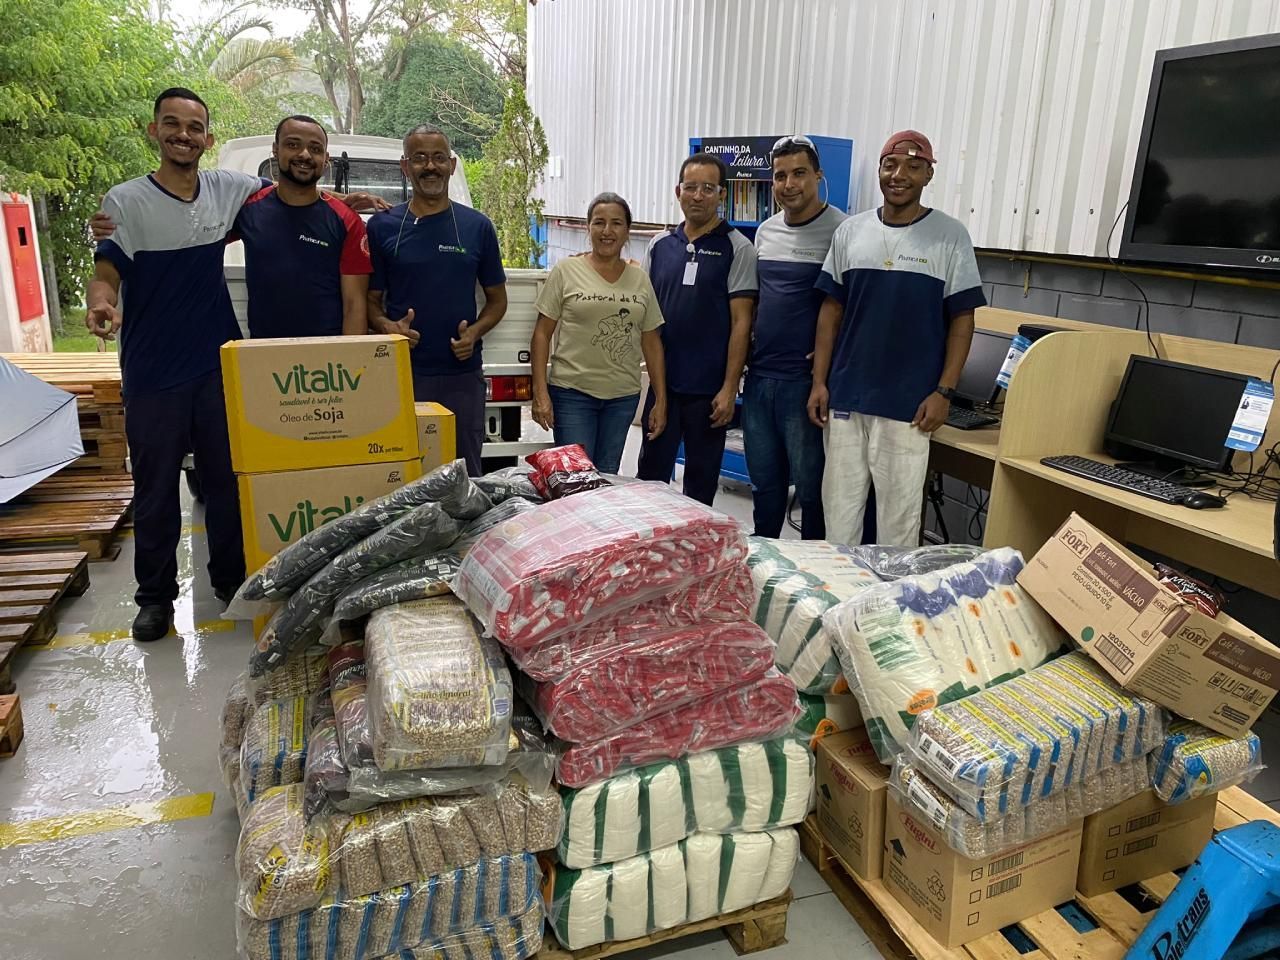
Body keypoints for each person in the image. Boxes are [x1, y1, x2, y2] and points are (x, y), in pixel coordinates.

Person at [86, 88, 263, 642]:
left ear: (208, 138)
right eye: (172, 124)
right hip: (153, 373)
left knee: (227, 484)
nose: (183, 135)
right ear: (154, 131)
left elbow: (292, 192)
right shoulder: (125, 202)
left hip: (216, 368)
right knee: (156, 490)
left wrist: (353, 202)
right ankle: (155, 600)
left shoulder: (228, 188)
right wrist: (100, 303)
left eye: (194, 127)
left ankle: (231, 581)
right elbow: (106, 274)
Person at [808, 130, 987, 547]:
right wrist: (819, 381)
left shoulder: (949, 236)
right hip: (847, 398)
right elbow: (831, 311)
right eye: (890, 165)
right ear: (879, 171)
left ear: (928, 175)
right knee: (839, 519)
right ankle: (841, 590)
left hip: (910, 407)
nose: (899, 175)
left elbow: (963, 320)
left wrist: (944, 391)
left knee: (899, 528)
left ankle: (892, 593)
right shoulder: (851, 232)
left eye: (913, 166)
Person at [92, 115, 376, 338]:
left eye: (315, 149)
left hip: (328, 350)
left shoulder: (345, 221)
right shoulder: (249, 209)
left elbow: (355, 303)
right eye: (292, 145)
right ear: (275, 150)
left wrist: (350, 360)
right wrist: (124, 215)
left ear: (325, 160)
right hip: (263, 350)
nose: (304, 154)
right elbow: (186, 224)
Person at [366, 124, 507, 475]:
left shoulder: (477, 227)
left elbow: (497, 300)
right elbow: (370, 300)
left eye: (439, 158)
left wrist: (474, 333)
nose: (430, 166)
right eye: (420, 158)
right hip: (402, 375)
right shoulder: (383, 227)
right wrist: (387, 327)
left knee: (465, 474)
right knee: (402, 476)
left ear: (452, 165)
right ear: (405, 166)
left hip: (461, 377)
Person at [637, 152, 757, 506]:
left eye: (708, 188)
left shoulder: (738, 248)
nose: (698, 196)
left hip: (709, 393)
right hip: (663, 387)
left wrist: (729, 388)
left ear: (722, 194)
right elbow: (647, 320)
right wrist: (656, 391)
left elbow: (742, 322)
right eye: (690, 187)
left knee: (700, 488)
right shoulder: (659, 246)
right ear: (678, 192)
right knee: (649, 482)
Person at [743, 135, 846, 539]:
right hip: (760, 378)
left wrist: (829, 360)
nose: (789, 184)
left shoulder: (842, 230)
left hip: (805, 385)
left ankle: (812, 565)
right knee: (764, 483)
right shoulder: (765, 231)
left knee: (811, 489)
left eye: (799, 173)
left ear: (818, 175)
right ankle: (765, 560)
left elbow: (850, 304)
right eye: (780, 175)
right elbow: (757, 301)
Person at [530, 193, 667, 474]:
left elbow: (651, 341)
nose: (607, 231)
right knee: (575, 479)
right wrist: (540, 392)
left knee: (607, 477)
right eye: (599, 222)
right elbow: (542, 333)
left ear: (627, 231)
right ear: (588, 227)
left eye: (616, 223)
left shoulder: (640, 279)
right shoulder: (566, 271)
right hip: (572, 394)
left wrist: (661, 399)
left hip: (622, 398)